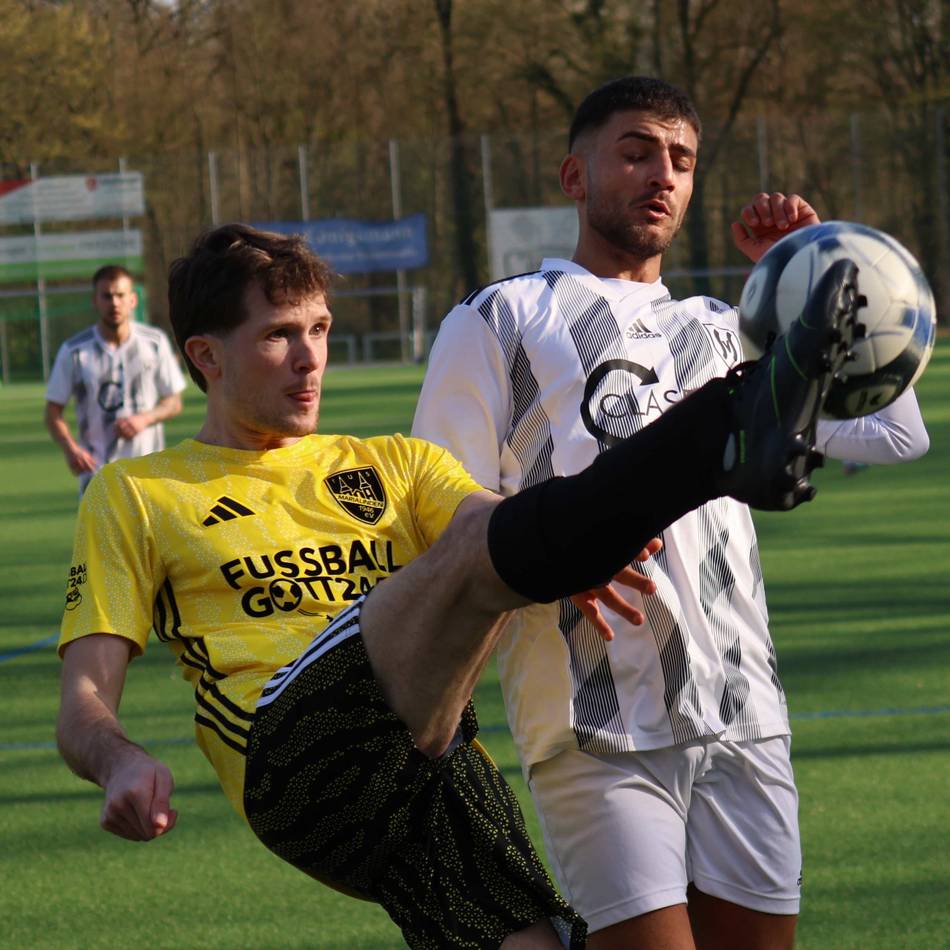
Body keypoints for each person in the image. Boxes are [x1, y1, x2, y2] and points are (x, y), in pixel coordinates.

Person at [56, 223, 862, 949]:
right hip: (296, 751)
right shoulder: (137, 492)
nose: (309, 359)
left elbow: (500, 521)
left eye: (319, 330)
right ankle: (734, 417)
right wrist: (120, 761)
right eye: (278, 337)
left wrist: (568, 550)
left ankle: (731, 427)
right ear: (204, 356)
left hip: (433, 764)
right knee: (481, 547)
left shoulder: (391, 463)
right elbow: (82, 706)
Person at [412, 76, 930, 949]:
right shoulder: (501, 317)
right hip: (596, 722)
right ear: (575, 176)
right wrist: (544, 556)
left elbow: (892, 431)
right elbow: (436, 507)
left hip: (744, 712)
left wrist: (806, 275)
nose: (662, 173)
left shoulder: (730, 328)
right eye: (637, 150)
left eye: (682, 159)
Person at [44, 264, 186, 494]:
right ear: (95, 301)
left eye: (120, 295)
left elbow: (174, 402)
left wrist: (145, 418)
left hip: (148, 474)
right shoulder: (74, 351)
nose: (114, 303)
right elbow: (52, 412)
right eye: (107, 296)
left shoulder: (154, 343)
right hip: (97, 477)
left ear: (133, 300)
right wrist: (71, 449)